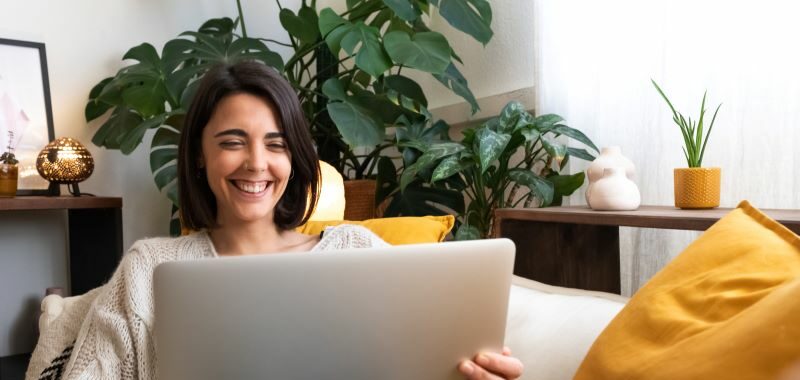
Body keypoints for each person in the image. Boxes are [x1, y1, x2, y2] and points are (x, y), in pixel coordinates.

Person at [28, 61, 523, 380]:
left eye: (276, 143)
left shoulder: (357, 251)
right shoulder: (150, 268)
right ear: (200, 155)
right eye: (232, 141)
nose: (256, 164)